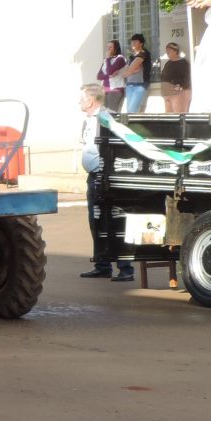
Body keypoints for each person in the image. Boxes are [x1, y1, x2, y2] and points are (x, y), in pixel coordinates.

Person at [79, 84, 134, 282]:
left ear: (90, 100)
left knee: (115, 222)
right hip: (93, 177)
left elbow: (120, 146)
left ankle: (125, 268)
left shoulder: (108, 118)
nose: (79, 102)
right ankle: (102, 265)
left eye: (81, 98)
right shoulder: (87, 120)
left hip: (106, 177)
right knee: (96, 222)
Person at [119, 33, 151, 112]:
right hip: (129, 84)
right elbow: (124, 73)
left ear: (141, 43)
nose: (133, 43)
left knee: (132, 110)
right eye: (132, 41)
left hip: (140, 85)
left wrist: (130, 71)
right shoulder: (131, 56)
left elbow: (130, 68)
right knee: (130, 110)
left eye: (136, 41)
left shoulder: (143, 53)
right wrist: (133, 71)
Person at [96, 39, 127, 111]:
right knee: (103, 113)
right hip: (104, 90)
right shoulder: (106, 60)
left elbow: (110, 71)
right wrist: (108, 76)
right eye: (107, 47)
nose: (108, 49)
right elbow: (99, 76)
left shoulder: (120, 58)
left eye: (110, 47)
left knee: (111, 113)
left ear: (115, 49)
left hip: (115, 90)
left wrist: (108, 59)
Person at [160, 42, 192, 113]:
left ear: (175, 51)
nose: (167, 52)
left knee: (178, 114)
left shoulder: (183, 63)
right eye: (166, 50)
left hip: (179, 93)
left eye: (169, 50)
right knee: (169, 116)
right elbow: (163, 76)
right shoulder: (168, 63)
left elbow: (187, 79)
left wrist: (180, 86)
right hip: (168, 94)